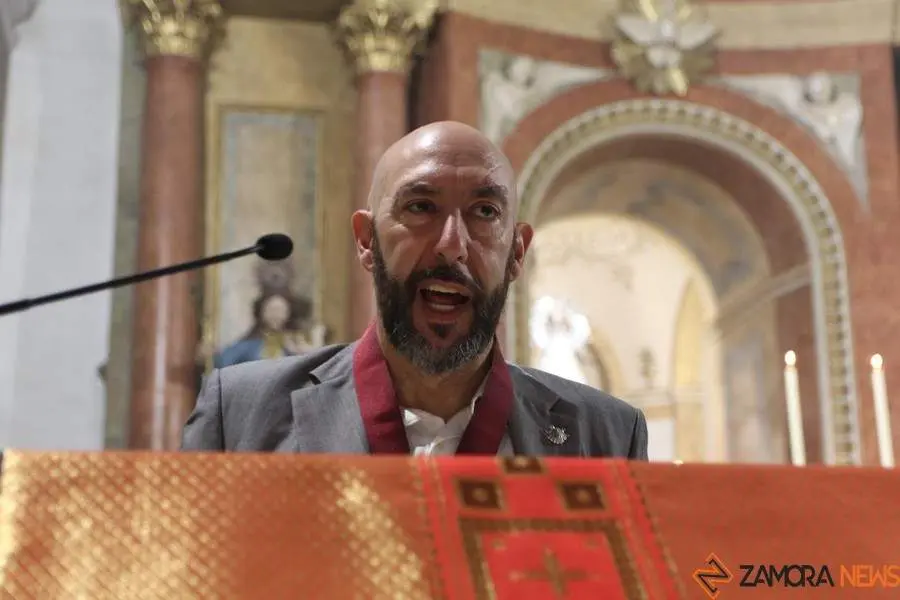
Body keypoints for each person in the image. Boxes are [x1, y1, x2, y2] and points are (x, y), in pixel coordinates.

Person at [182, 121, 648, 458]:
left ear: (518, 253)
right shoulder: (241, 414)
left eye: (485, 212)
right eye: (421, 206)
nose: (452, 247)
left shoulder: (606, 436)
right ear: (367, 241)